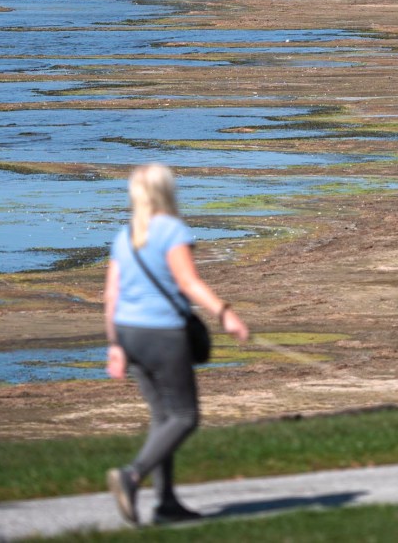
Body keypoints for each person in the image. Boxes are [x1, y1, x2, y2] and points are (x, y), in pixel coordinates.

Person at [104, 164, 249, 525]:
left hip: (128, 333)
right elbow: (188, 282)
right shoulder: (171, 230)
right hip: (162, 335)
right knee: (184, 417)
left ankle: (166, 503)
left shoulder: (125, 236)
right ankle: (132, 476)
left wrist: (115, 345)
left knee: (163, 418)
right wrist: (225, 313)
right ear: (166, 191)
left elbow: (111, 295)